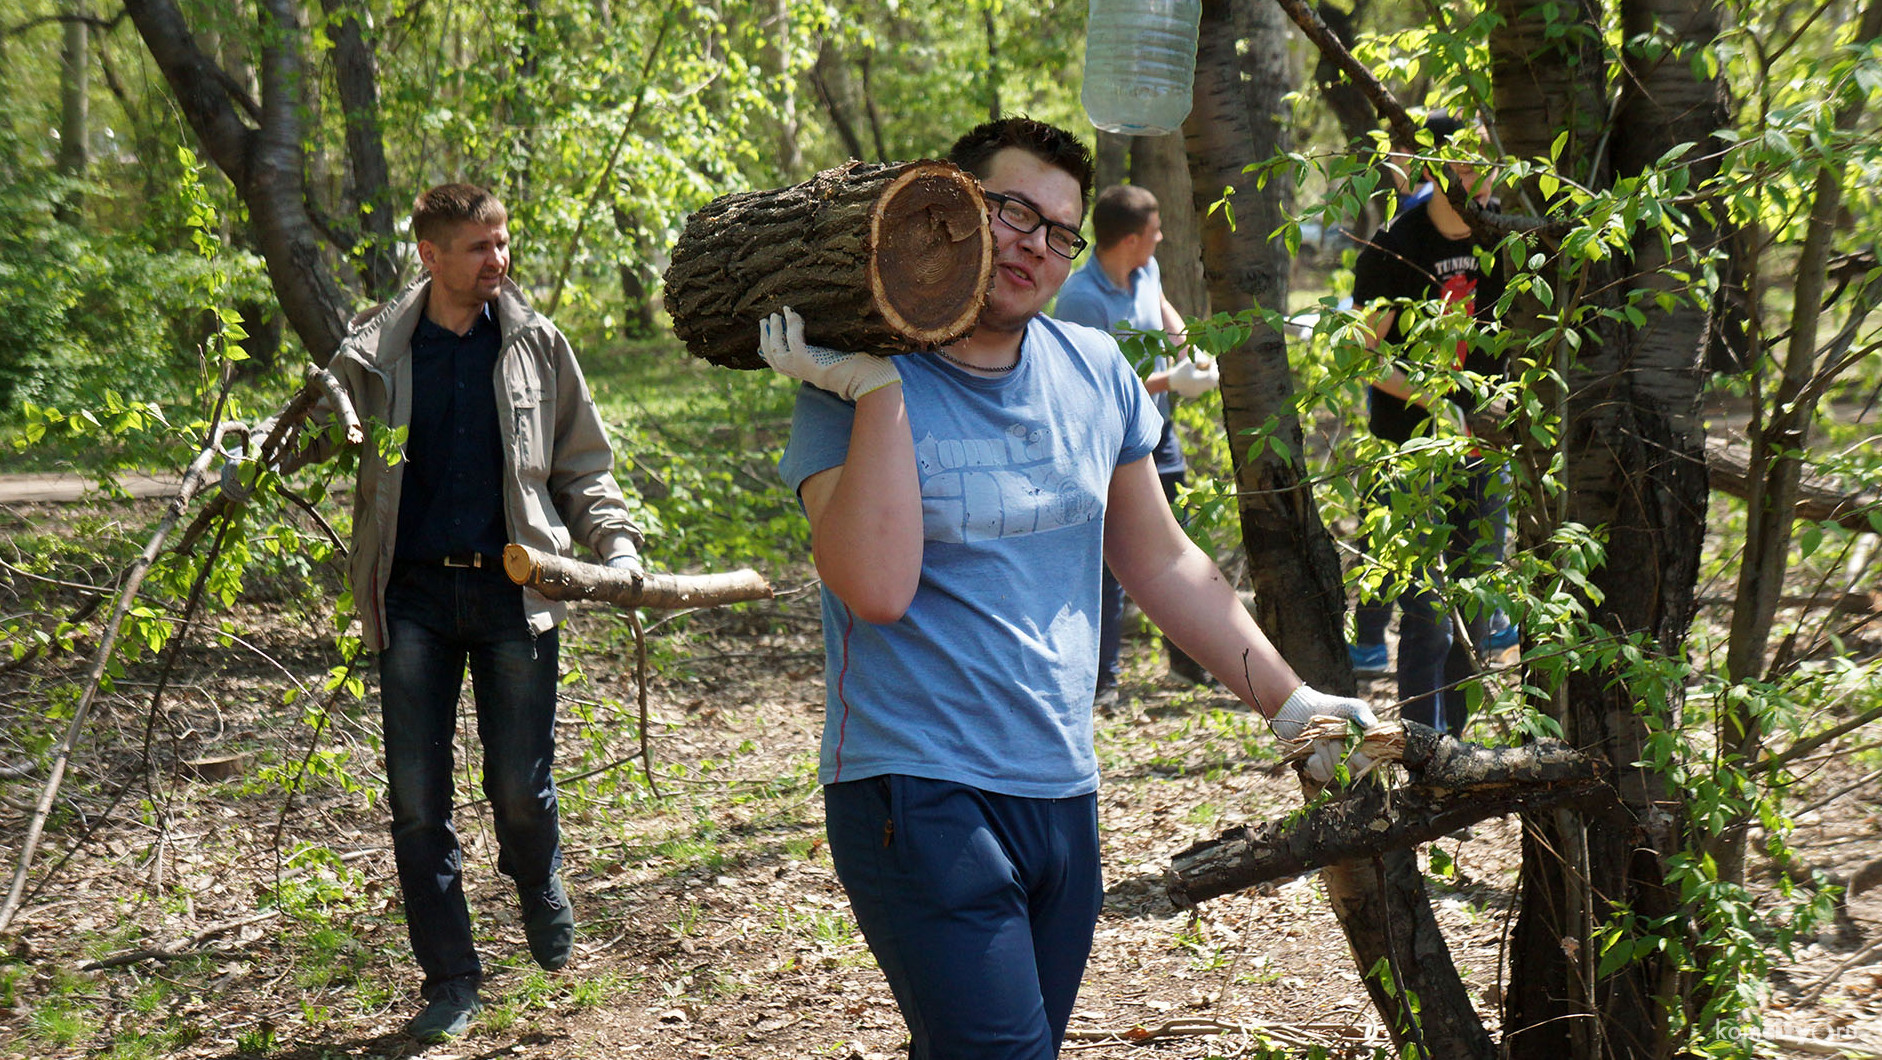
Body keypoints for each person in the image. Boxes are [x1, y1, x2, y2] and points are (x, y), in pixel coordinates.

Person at [762, 117, 1376, 1060]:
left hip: (1061, 788)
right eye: (1012, 212)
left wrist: (1293, 707)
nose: (1034, 246)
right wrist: (877, 391)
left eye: (1060, 232)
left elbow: (1161, 560)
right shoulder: (845, 382)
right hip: (915, 792)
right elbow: (875, 589)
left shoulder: (1095, 371)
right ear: (950, 212)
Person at [298, 183, 645, 1042]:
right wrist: (267, 447)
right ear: (431, 255)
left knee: (519, 791)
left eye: (502, 243)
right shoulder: (377, 349)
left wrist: (619, 547)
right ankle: (452, 979)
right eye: (481, 247)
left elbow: (583, 466)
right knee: (417, 803)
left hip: (512, 592)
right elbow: (313, 436)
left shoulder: (536, 345)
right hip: (410, 595)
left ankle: (535, 872)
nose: (499, 260)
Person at [1346, 113, 1507, 735]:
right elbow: (1361, 353)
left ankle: (1457, 750)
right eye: (1467, 163)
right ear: (1436, 169)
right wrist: (1436, 398)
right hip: (1411, 452)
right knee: (1426, 615)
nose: (1482, 178)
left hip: (1487, 452)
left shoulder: (1504, 239)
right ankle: (1425, 751)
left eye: (1487, 164)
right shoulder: (1396, 244)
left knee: (1476, 606)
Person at [1052, 184, 1221, 704]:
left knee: (1181, 543)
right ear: (1129, 240)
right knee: (1112, 560)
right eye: (1154, 232)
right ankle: (1103, 681)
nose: (1161, 238)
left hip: (1160, 434)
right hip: (1105, 443)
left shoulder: (1146, 270)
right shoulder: (1081, 299)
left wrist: (1190, 348)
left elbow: (1164, 306)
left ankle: (1191, 661)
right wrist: (1170, 382)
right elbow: (1089, 384)